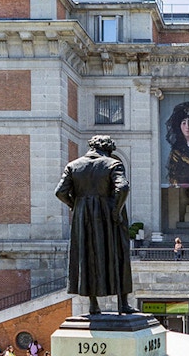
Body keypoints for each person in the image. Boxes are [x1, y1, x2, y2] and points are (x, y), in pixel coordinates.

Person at [55, 135, 135, 315]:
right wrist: (115, 210)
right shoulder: (113, 164)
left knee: (87, 255)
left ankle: (93, 304)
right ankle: (123, 303)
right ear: (108, 149)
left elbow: (60, 192)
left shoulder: (73, 166)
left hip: (82, 216)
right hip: (108, 215)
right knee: (119, 254)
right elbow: (122, 187)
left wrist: (74, 204)